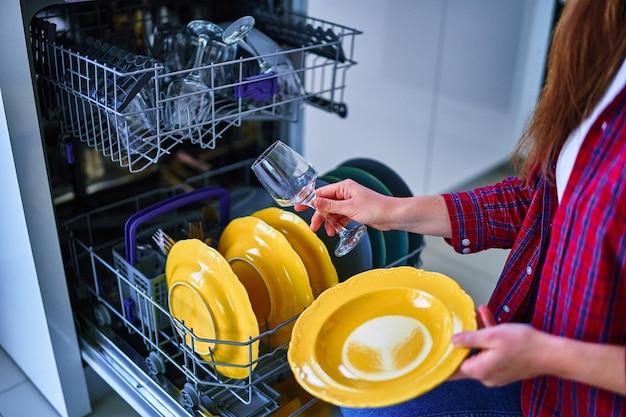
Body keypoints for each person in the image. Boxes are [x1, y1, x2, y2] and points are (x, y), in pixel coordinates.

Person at [295, 0, 626, 415]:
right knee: (361, 402)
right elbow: (540, 202)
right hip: (536, 377)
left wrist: (547, 355)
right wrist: (392, 211)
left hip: (581, 397)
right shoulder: (606, 50)